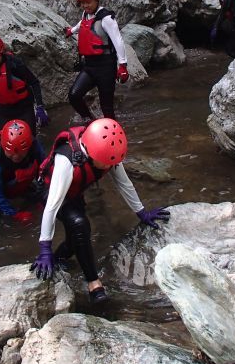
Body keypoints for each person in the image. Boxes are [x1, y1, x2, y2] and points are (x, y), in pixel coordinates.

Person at [29, 118, 170, 303]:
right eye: (104, 163)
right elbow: (53, 205)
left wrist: (142, 212)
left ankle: (59, 259)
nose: (107, 166)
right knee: (80, 224)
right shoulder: (66, 159)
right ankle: (94, 284)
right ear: (90, 152)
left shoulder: (107, 152)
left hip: (73, 191)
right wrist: (44, 247)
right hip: (50, 190)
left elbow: (124, 183)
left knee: (76, 238)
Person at [64, 0, 129, 122]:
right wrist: (72, 30)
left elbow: (118, 41)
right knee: (74, 95)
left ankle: (113, 135)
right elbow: (82, 23)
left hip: (106, 67)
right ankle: (90, 121)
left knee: (107, 109)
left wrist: (123, 65)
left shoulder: (106, 18)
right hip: (90, 66)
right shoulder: (85, 14)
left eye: (88, 2)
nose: (85, 6)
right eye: (82, 3)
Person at [0, 34, 50, 135]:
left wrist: (40, 107)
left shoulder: (14, 64)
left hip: (24, 107)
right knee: (5, 141)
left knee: (30, 139)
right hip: (4, 111)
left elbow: (34, 82)